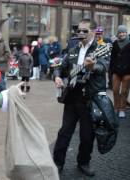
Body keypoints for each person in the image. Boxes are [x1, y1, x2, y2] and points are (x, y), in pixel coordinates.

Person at [53, 19, 109, 177]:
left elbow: (104, 65)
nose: (81, 33)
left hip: (90, 99)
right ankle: (57, 163)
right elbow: (61, 67)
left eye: (84, 31)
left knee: (87, 135)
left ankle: (83, 162)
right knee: (64, 132)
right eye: (79, 30)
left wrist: (93, 66)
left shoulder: (101, 48)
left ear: (93, 31)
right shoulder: (73, 47)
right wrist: (57, 77)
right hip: (71, 97)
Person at [109, 25, 130, 118]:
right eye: (120, 32)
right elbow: (112, 58)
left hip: (127, 72)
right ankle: (116, 108)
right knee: (115, 90)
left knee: (124, 91)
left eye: (123, 32)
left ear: (126, 33)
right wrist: (111, 71)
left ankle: (122, 109)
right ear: (118, 34)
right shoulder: (115, 44)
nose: (121, 34)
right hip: (116, 71)